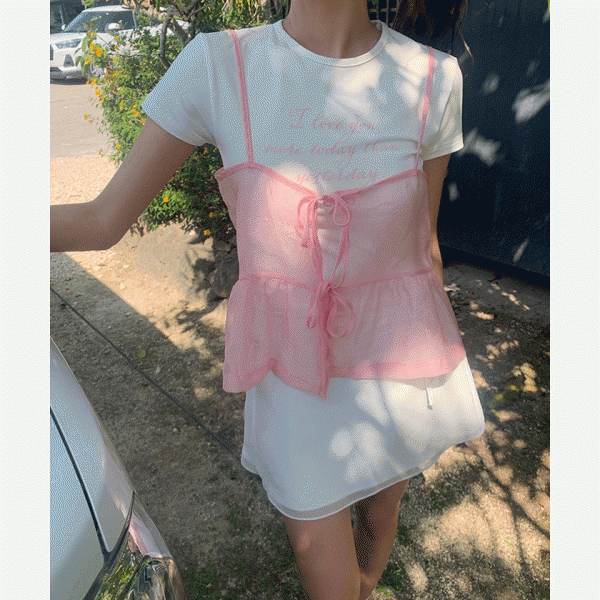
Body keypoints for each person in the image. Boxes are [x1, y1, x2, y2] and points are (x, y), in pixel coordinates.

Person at [51, 1, 485, 599]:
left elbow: (422, 248)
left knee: (372, 550)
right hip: (296, 392)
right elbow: (102, 220)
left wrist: (442, 378)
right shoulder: (219, 66)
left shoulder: (434, 78)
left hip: (400, 377)